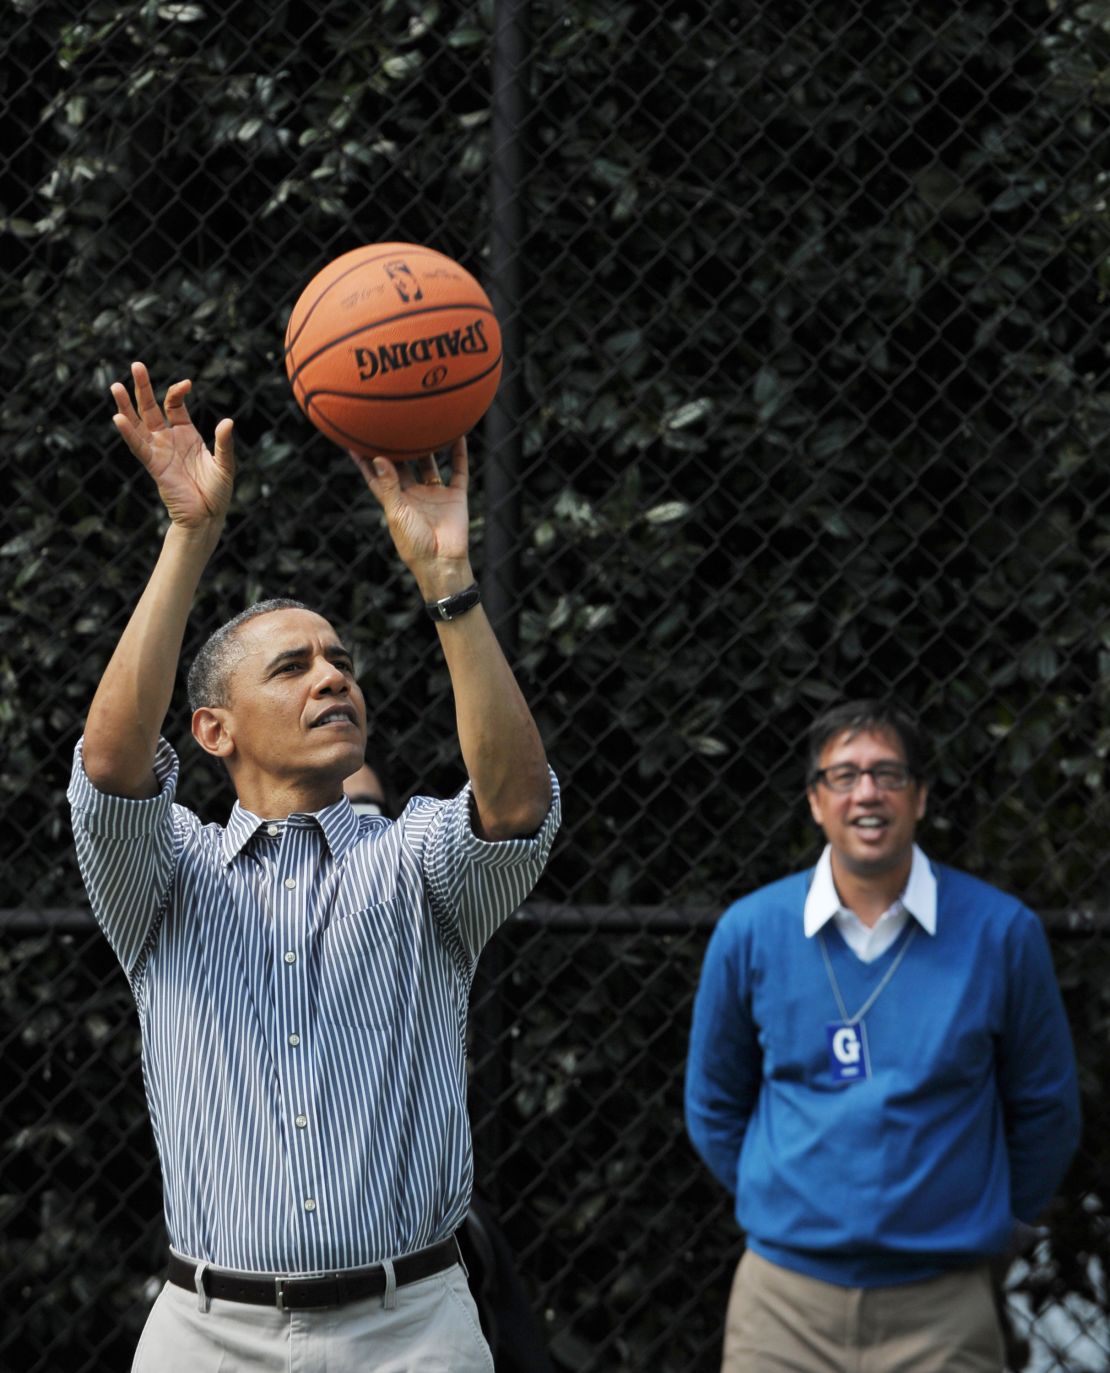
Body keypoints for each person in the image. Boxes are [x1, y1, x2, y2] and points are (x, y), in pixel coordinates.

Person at [67, 361, 560, 1372]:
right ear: (211, 728)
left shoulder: (418, 862)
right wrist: (189, 535)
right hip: (206, 1334)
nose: (333, 675)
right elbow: (111, 765)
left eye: (341, 661)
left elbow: (514, 804)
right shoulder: (166, 877)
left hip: (413, 1329)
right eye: (292, 667)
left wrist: (448, 589)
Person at [684, 699, 1080, 1373]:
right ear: (815, 800)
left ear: (921, 797)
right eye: (844, 775)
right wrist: (788, 1196)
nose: (867, 791)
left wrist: (974, 1217)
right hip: (782, 1306)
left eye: (889, 773)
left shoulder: (1002, 933)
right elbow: (713, 1103)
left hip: (941, 1308)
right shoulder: (749, 933)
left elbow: (1047, 1111)